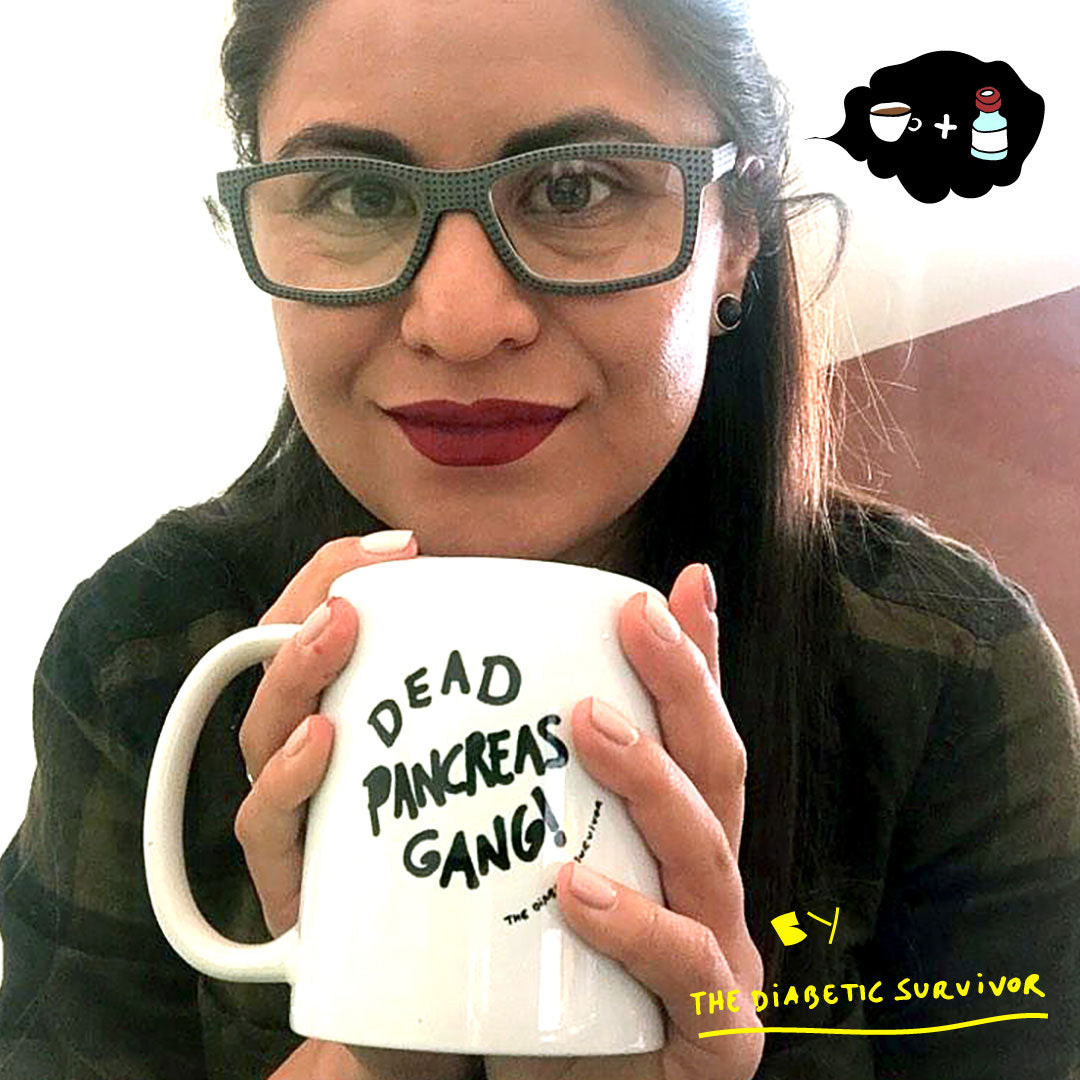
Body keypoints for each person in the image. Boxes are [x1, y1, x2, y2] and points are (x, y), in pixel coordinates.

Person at [1, 0, 1077, 1077]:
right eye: (359, 194)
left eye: (576, 187)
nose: (461, 322)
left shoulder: (950, 673)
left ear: (738, 237)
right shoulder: (144, 647)